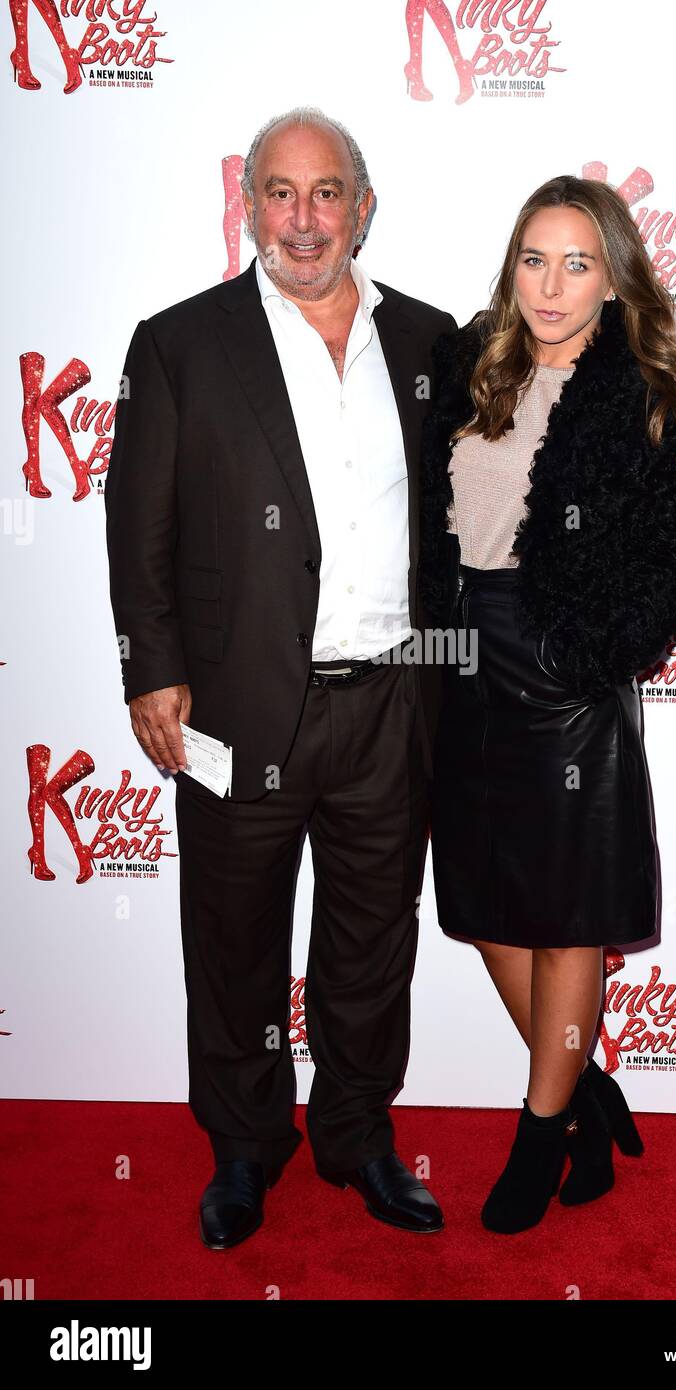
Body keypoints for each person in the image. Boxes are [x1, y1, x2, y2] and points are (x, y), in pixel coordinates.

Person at [104, 106, 457, 1249]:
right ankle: (246, 1147)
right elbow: (137, 526)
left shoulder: (432, 343)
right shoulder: (179, 344)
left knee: (370, 941)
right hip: (238, 707)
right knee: (236, 940)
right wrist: (150, 670)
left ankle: (356, 1134)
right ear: (246, 203)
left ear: (364, 206)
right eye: (280, 193)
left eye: (327, 193)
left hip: (393, 702)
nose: (304, 221)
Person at [418, 174, 676, 1235]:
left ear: (614, 277)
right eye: (534, 260)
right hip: (464, 660)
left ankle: (540, 1133)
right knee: (478, 905)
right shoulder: (470, 367)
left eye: (577, 263)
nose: (551, 286)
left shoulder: (648, 389)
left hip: (567, 676)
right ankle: (590, 1098)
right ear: (512, 269)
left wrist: (594, 648)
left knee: (565, 926)